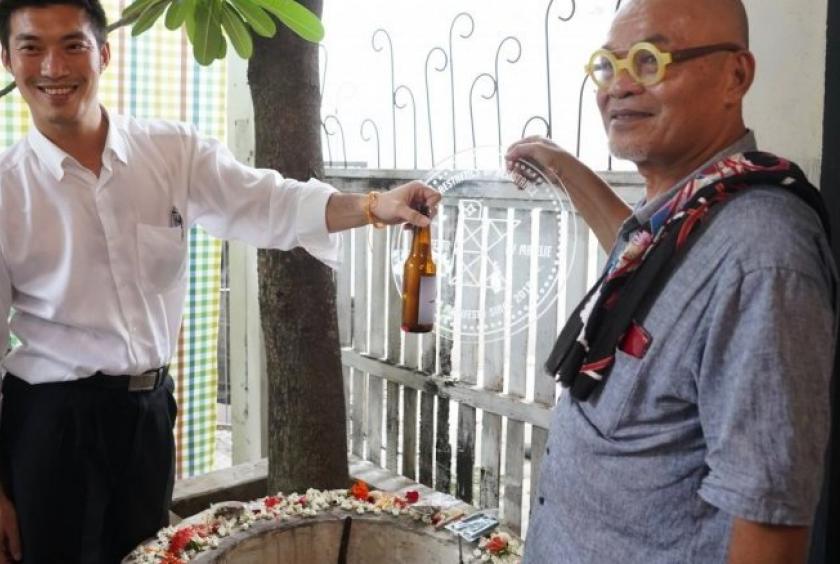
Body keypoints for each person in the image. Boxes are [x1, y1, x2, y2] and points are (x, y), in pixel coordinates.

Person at [0, 0, 440, 562]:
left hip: (148, 415)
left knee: (152, 555)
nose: (53, 67)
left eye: (73, 45)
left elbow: (267, 202)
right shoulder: (8, 189)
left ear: (103, 53)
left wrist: (376, 205)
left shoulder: (170, 152)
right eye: (31, 47)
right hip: (50, 423)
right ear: (10, 61)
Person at [506, 0, 836, 562]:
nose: (620, 85)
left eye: (650, 60)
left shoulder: (760, 254)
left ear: (736, 76)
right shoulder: (690, 216)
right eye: (607, 66)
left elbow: (769, 526)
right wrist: (562, 165)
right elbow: (642, 259)